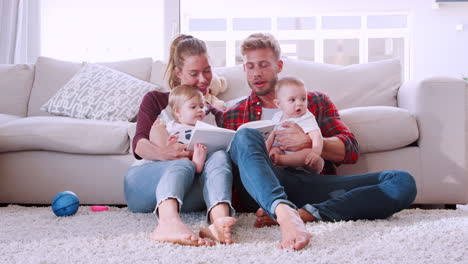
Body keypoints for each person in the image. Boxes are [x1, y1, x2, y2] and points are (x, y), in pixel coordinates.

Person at [223, 33, 417, 251]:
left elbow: (350, 149)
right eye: (250, 66)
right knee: (245, 135)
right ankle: (283, 212)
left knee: (402, 181)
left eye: (264, 65)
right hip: (260, 191)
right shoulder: (233, 114)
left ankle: (306, 214)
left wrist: (308, 142)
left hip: (311, 184)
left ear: (279, 65)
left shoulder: (314, 101)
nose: (256, 73)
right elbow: (226, 169)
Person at [124, 35, 236, 247]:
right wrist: (165, 153)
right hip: (145, 186)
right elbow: (138, 144)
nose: (203, 80)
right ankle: (167, 223)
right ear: (178, 72)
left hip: (192, 194)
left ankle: (218, 222)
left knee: (220, 155)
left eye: (207, 71)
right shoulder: (156, 100)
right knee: (181, 161)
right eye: (194, 74)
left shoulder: (212, 113)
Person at [265, 76, 324, 173]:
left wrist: (315, 152)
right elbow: (270, 137)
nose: (299, 103)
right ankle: (275, 160)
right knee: (273, 150)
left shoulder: (306, 117)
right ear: (279, 104)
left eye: (303, 99)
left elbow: (316, 135)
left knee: (307, 153)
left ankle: (280, 160)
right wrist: (264, 152)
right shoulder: (277, 117)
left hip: (300, 155)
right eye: (292, 100)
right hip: (282, 150)